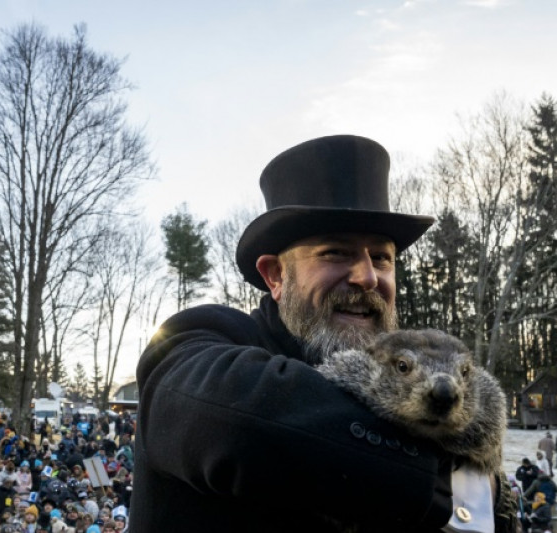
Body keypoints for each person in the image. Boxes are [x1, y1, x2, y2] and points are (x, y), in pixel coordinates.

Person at [133, 135, 517, 532]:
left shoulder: (421, 363)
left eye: (382, 258)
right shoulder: (202, 338)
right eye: (336, 252)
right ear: (276, 276)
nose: (367, 277)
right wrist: (441, 471)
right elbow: (231, 424)